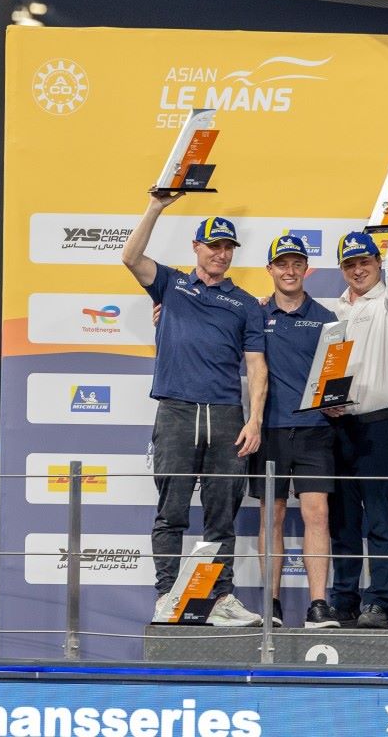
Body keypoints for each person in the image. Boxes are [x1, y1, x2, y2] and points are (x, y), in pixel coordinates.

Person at [121, 199, 267, 627]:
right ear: (196, 247)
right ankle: (167, 596)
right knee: (172, 513)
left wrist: (255, 419)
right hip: (177, 411)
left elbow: (257, 365)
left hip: (225, 415)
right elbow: (130, 257)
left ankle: (220, 598)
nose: (220, 254)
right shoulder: (171, 285)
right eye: (213, 246)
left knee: (222, 516)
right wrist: (155, 206)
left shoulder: (246, 304)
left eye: (227, 247)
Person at [328, 221, 388, 627]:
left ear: (378, 263)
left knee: (380, 518)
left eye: (364, 261)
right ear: (341, 269)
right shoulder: (333, 310)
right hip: (337, 427)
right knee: (344, 521)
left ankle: (379, 602)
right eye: (350, 264)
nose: (358, 270)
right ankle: (344, 599)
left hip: (381, 427)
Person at [249, 234, 340, 629]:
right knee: (272, 516)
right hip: (268, 429)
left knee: (317, 515)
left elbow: (336, 375)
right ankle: (271, 604)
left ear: (306, 268)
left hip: (314, 430)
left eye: (297, 264)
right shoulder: (255, 314)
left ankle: (318, 604)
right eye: (282, 264)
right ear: (270, 269)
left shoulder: (326, 318)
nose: (290, 271)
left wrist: (337, 400)